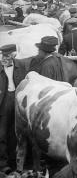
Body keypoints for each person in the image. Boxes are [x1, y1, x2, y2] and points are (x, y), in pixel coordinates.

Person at [0, 44, 24, 173]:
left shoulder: (21, 66)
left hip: (17, 101)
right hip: (3, 102)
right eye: (3, 55)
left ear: (14, 55)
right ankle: (3, 165)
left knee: (15, 133)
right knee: (2, 134)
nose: (4, 58)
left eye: (7, 55)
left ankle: (14, 163)